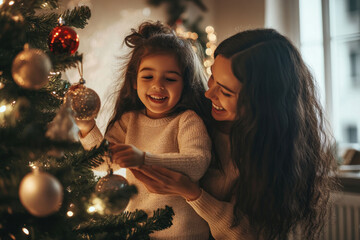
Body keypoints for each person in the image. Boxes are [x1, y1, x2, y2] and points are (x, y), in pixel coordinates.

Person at [130, 28, 338, 240]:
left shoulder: (270, 157)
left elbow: (247, 234)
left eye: (226, 91)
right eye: (212, 77)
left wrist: (192, 193)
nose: (208, 93)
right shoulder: (192, 119)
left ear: (263, 103)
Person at [77, 21, 213, 239]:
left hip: (184, 234)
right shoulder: (129, 121)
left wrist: (144, 159)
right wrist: (86, 126)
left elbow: (197, 164)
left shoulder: (187, 120)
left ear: (185, 84)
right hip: (139, 231)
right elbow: (103, 162)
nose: (158, 86)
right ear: (134, 81)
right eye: (148, 76)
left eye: (169, 79)